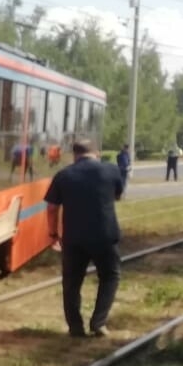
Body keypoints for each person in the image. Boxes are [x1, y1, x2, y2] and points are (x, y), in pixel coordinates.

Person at [44, 140, 123, 338]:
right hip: (104, 235)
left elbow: (52, 208)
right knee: (110, 276)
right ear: (97, 152)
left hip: (74, 238)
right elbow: (117, 196)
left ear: (74, 155)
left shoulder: (63, 175)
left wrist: (53, 234)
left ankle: (75, 328)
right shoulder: (111, 170)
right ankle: (98, 323)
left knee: (71, 282)